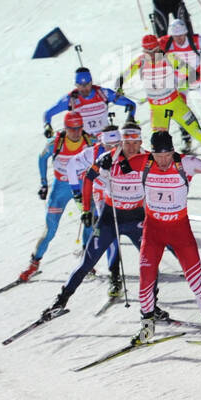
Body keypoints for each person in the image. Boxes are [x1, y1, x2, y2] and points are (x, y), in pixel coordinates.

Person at [132, 131, 201, 346]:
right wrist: (104, 163)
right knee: (145, 277)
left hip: (180, 232)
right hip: (153, 231)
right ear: (151, 153)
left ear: (173, 151)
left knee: (196, 281)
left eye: (167, 155)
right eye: (159, 156)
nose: (163, 161)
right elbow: (115, 168)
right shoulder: (143, 162)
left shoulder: (185, 164)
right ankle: (147, 326)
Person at [41, 121, 149, 316]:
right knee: (88, 261)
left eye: (134, 142)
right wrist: (85, 207)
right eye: (126, 142)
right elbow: (83, 175)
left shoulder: (148, 157)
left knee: (150, 261)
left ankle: (151, 305)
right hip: (109, 211)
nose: (129, 147)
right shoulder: (103, 157)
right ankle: (61, 301)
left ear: (140, 141)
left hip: (135, 216)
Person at [18, 110, 98, 283]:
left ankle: (87, 261)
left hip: (82, 187)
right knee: (50, 230)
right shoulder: (56, 142)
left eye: (78, 128)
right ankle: (34, 264)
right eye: (71, 129)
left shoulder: (90, 141)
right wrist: (43, 183)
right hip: (60, 188)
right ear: (66, 127)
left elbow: (104, 154)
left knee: (89, 221)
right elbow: (41, 158)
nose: (75, 132)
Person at [124, 34, 201, 155]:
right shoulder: (140, 61)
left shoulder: (170, 58)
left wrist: (184, 84)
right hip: (157, 109)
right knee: (157, 142)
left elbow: (193, 74)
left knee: (197, 132)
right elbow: (124, 75)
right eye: (147, 52)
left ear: (158, 48)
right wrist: (119, 86)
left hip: (175, 104)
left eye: (153, 51)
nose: (151, 55)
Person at [42, 66, 137, 138]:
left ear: (91, 82)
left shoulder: (103, 93)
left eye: (87, 85)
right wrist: (47, 126)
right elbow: (48, 113)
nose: (84, 89)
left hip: (104, 139)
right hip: (84, 141)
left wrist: (130, 118)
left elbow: (131, 104)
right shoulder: (71, 99)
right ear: (76, 84)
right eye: (80, 85)